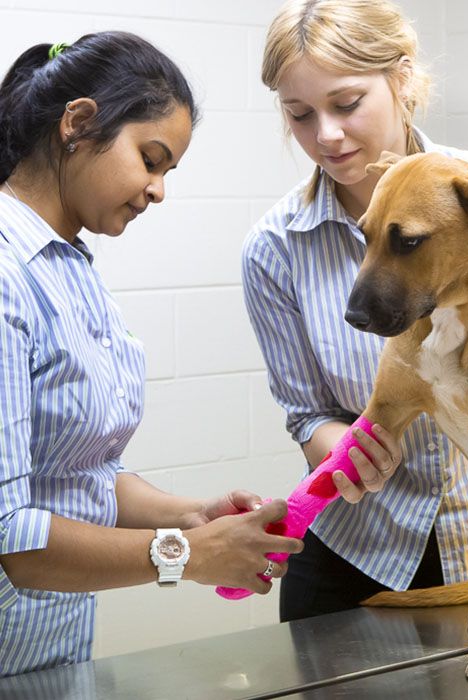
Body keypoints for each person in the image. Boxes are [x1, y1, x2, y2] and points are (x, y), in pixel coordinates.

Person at [242, 0, 468, 622]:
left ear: (402, 80)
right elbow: (307, 414)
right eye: (299, 114)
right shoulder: (275, 249)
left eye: (346, 103)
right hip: (354, 553)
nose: (325, 134)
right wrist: (342, 453)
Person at [0, 32, 303, 677]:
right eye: (151, 158)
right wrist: (187, 554)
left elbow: (75, 473)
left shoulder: (68, 265)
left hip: (47, 652)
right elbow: (11, 539)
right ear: (78, 124)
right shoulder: (5, 273)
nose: (158, 189)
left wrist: (190, 517)